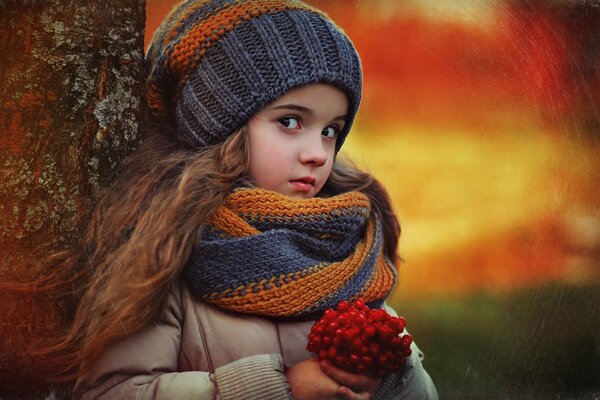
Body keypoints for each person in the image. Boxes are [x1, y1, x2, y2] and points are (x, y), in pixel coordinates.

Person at [29, 1, 439, 398]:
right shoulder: (164, 250)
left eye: (330, 129)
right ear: (218, 126)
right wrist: (280, 388)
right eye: (290, 121)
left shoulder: (346, 250)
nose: (318, 152)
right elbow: (113, 392)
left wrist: (388, 371)